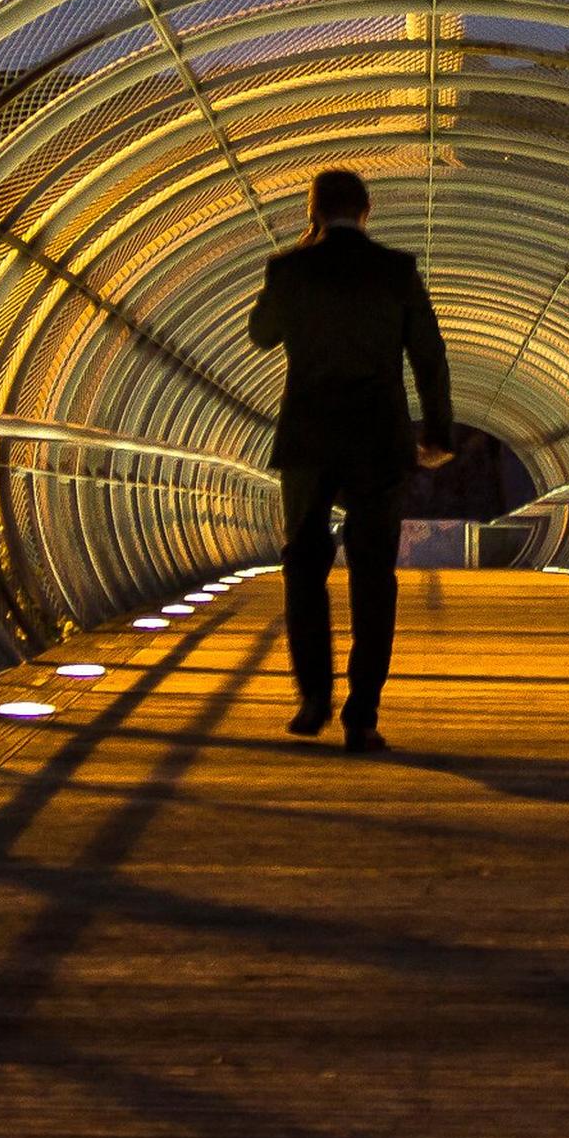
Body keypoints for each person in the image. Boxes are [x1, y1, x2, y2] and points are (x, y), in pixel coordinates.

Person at [245, 168, 452, 752]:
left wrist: (293, 277)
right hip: (377, 438)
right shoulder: (396, 270)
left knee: (303, 565)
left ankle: (312, 698)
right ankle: (362, 713)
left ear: (313, 210)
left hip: (309, 438)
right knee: (373, 573)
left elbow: (261, 334)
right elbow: (428, 355)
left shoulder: (289, 268)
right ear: (367, 210)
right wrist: (436, 430)